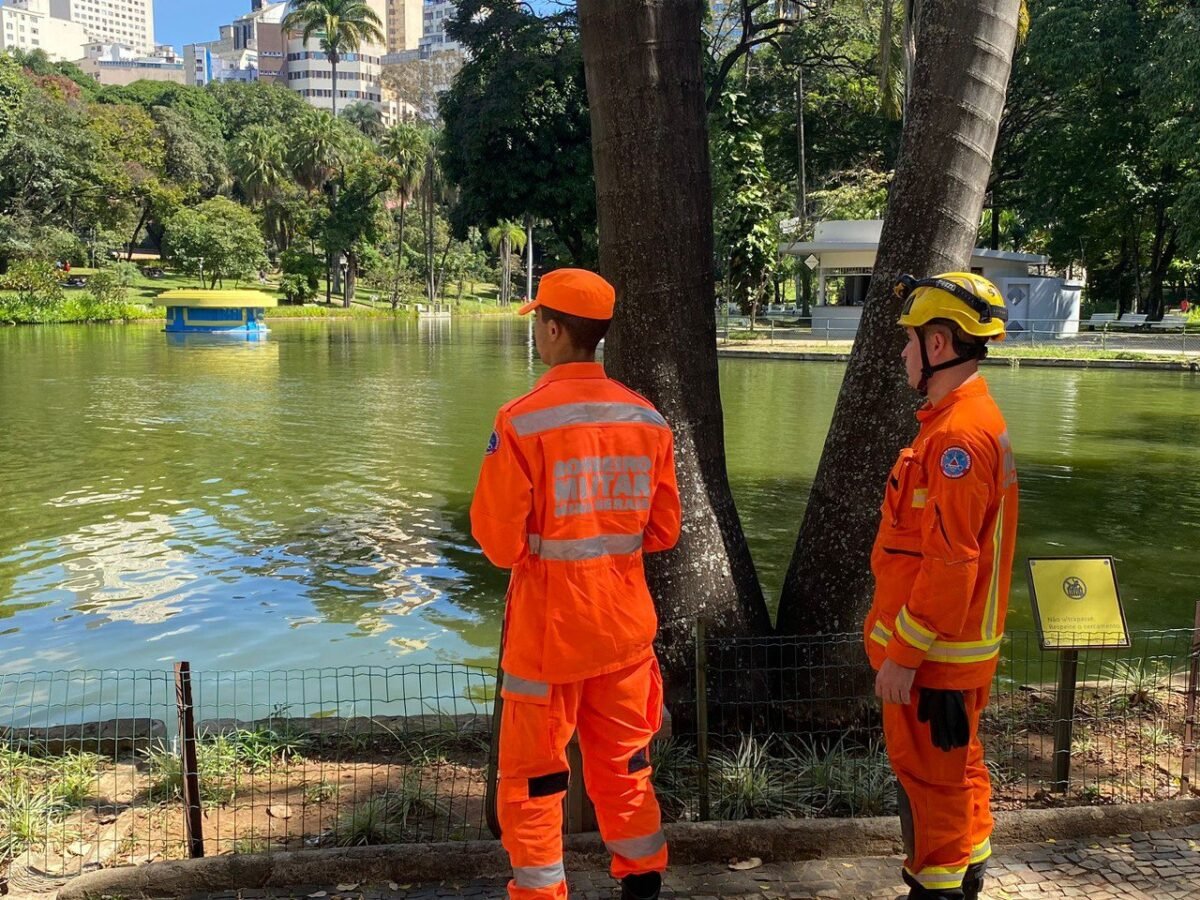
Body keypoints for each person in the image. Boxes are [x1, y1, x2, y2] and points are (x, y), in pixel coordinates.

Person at [471, 268, 681, 900]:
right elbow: (663, 529)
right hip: (622, 636)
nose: (538, 331)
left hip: (547, 641)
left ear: (555, 330)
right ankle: (642, 883)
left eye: (539, 321)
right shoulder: (648, 421)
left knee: (534, 782)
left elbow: (499, 543)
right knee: (626, 768)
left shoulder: (521, 422)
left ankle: (542, 893)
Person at [865, 272, 1019, 900]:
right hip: (950, 655)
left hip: (934, 662)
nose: (902, 353)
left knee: (931, 785)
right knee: (960, 773)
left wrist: (904, 654)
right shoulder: (960, 421)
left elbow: (951, 562)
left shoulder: (957, 438)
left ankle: (940, 887)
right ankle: (972, 868)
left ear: (938, 344)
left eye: (909, 341)